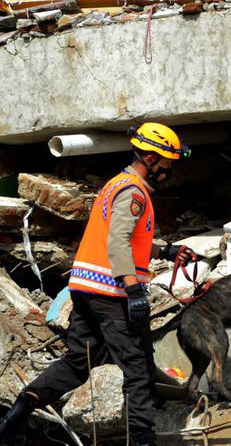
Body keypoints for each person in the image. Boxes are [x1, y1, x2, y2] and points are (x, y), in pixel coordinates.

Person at [0, 123, 198, 446]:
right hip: (111, 293)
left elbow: (128, 240)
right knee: (138, 371)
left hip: (86, 289)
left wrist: (166, 251)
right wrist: (133, 290)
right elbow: (118, 243)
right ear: (151, 158)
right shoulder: (134, 193)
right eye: (167, 163)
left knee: (78, 363)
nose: (169, 170)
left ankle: (18, 413)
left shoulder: (116, 185)